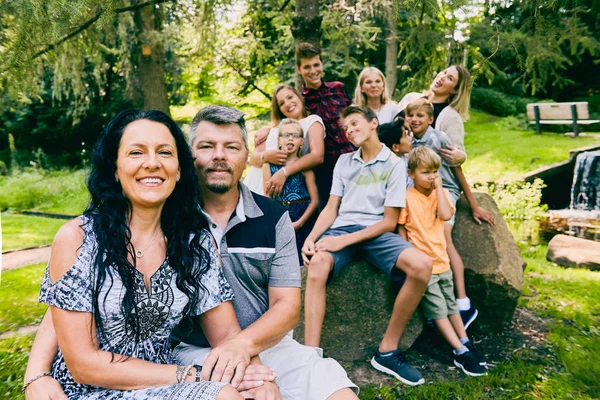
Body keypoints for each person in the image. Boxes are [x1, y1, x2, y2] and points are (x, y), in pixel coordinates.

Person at [23, 109, 248, 399]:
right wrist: (190, 375)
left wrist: (254, 374)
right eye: (136, 153)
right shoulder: (79, 238)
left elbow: (228, 336)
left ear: (179, 170)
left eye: (165, 153)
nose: (152, 163)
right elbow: (84, 364)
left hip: (159, 384)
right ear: (115, 168)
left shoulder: (195, 241)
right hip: (82, 391)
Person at [171, 105, 359, 400]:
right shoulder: (172, 218)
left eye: (231, 147)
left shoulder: (273, 216)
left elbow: (286, 306)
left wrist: (244, 347)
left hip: (269, 345)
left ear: (247, 158)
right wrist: (244, 362)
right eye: (206, 146)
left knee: (341, 395)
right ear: (190, 156)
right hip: (196, 349)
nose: (219, 155)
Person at [302, 105, 433, 387]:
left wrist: (341, 241)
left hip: (376, 232)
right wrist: (312, 238)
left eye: (354, 123)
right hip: (342, 227)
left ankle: (387, 351)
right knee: (318, 265)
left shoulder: (394, 164)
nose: (349, 131)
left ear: (374, 123)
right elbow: (331, 208)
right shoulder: (344, 162)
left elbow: (389, 222)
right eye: (345, 128)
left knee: (422, 265)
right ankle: (310, 359)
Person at [398, 65, 495, 328]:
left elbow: (456, 164)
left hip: (443, 187)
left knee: (442, 237)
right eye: (443, 72)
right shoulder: (412, 103)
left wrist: (472, 203)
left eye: (450, 78)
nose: (443, 77)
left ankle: (463, 303)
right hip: (417, 190)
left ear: (455, 89)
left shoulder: (446, 122)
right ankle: (432, 303)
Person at [398, 146, 487, 377]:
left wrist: (439, 188)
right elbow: (402, 230)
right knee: (438, 311)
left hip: (443, 263)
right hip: (425, 267)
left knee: (451, 306)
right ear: (411, 174)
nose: (432, 176)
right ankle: (459, 351)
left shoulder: (443, 195)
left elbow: (446, 215)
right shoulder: (407, 198)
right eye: (426, 172)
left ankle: (465, 341)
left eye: (435, 171)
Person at [297, 42, 355, 205]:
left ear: (322, 64)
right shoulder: (301, 100)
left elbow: (355, 117)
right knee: (331, 215)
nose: (313, 71)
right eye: (307, 67)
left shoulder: (338, 88)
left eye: (316, 64)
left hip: (353, 159)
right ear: (299, 70)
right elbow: (287, 125)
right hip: (325, 171)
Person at [246, 83, 325, 198]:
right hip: (255, 183)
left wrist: (283, 172)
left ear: (299, 97)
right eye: (281, 103)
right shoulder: (274, 129)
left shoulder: (312, 121)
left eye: (290, 97)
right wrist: (265, 156)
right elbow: (252, 159)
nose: (288, 104)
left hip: (278, 187)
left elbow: (317, 156)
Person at [263, 119, 319, 264]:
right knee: (282, 260)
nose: (290, 138)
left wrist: (300, 222)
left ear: (301, 141)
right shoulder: (269, 166)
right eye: (286, 135)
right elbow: (267, 198)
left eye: (295, 135)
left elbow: (315, 200)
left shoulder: (304, 166)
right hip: (280, 216)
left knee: (304, 259)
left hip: (304, 217)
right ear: (279, 140)